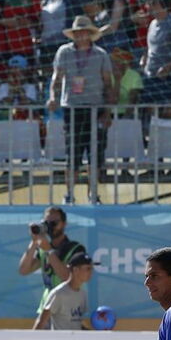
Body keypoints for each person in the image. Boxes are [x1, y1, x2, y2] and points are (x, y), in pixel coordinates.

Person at [47, 15, 114, 203]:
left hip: (96, 108)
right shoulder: (64, 52)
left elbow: (108, 84)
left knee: (95, 155)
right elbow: (56, 78)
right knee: (72, 154)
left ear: (90, 34)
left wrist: (108, 112)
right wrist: (52, 97)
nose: (81, 36)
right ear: (74, 35)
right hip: (73, 108)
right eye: (78, 33)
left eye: (84, 33)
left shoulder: (101, 54)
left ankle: (93, 193)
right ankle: (69, 194)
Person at [18, 205, 87, 316]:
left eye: (54, 223)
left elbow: (68, 278)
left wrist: (49, 251)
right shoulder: (44, 248)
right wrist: (34, 242)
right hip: (46, 309)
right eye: (47, 223)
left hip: (67, 310)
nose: (51, 227)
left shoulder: (75, 248)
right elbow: (23, 270)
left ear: (64, 224)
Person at [33, 252, 96, 330]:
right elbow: (41, 322)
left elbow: (76, 323)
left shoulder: (83, 294)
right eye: (88, 268)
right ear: (75, 270)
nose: (91, 272)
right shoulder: (58, 293)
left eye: (91, 269)